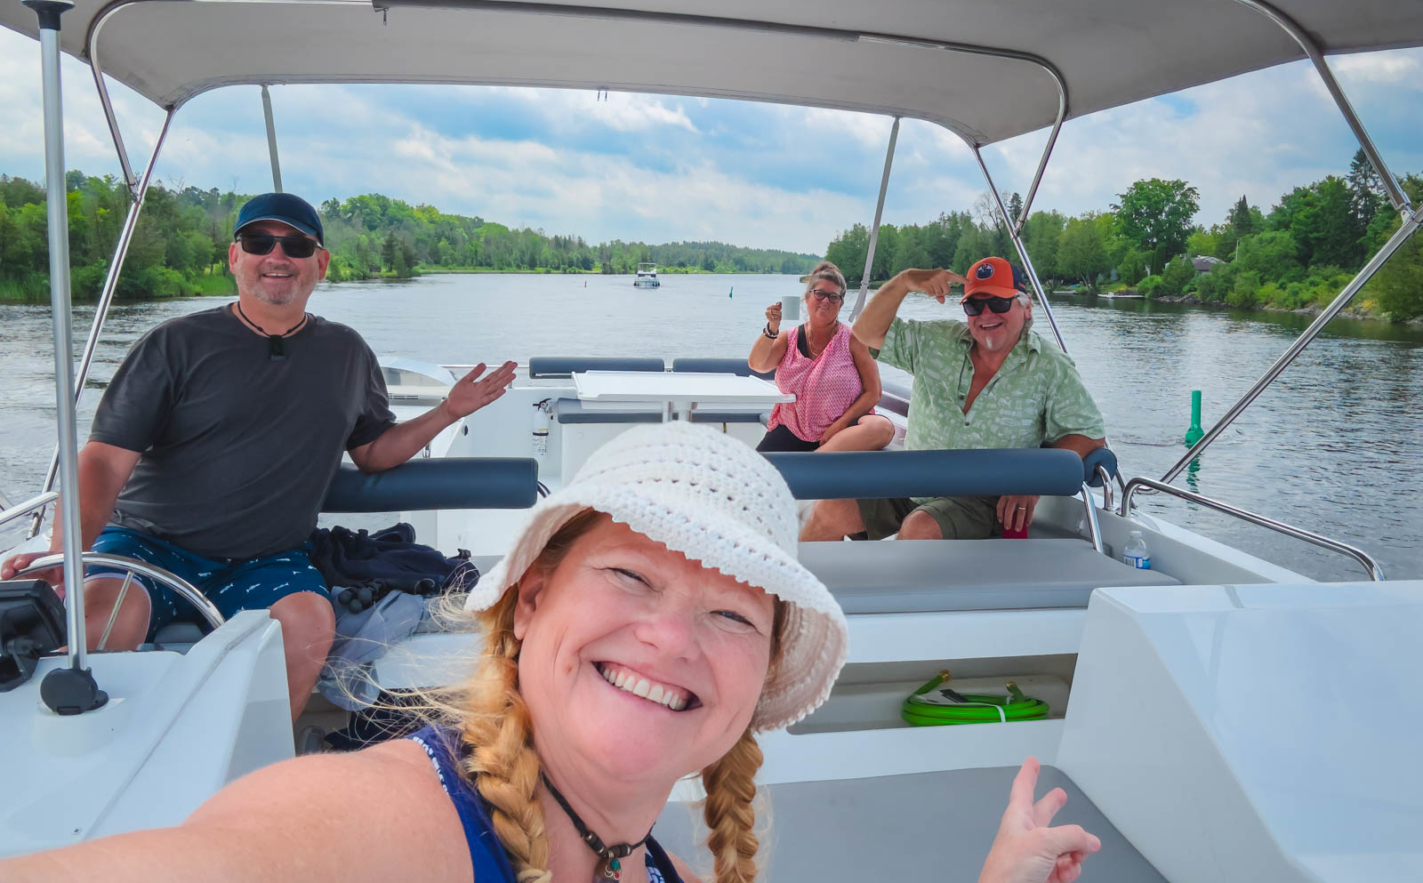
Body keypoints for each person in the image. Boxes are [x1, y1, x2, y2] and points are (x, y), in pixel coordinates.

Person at [1, 423, 1101, 883]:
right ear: (528, 605)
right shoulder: (384, 827)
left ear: (758, 679)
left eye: (731, 615)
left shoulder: (643, 854)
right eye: (629, 576)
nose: (671, 637)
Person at [0, 192, 517, 720]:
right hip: (148, 545)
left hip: (268, 555)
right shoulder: (173, 345)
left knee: (311, 623)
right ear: (234, 258)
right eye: (258, 242)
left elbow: (373, 452)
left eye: (295, 244)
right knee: (101, 620)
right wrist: (62, 557)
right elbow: (104, 464)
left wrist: (448, 411)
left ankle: (261, 766)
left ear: (319, 263)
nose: (277, 256)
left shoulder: (347, 353)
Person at [803, 257, 1106, 542]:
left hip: (981, 497)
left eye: (999, 302)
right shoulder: (936, 341)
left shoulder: (1049, 365)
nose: (986, 314)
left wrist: (1033, 481)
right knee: (832, 506)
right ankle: (783, 594)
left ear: (1027, 308)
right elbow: (866, 332)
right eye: (974, 305)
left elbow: (1088, 434)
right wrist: (905, 281)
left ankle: (899, 598)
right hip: (911, 480)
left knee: (921, 528)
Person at [748, 261, 894, 454]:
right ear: (807, 297)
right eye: (820, 294)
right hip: (792, 429)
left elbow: (873, 392)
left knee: (882, 428)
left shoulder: (853, 339)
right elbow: (757, 364)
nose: (826, 301)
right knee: (756, 474)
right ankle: (814, 464)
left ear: (841, 304)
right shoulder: (788, 338)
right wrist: (772, 327)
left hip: (841, 435)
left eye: (834, 297)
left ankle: (814, 461)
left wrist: (840, 425)